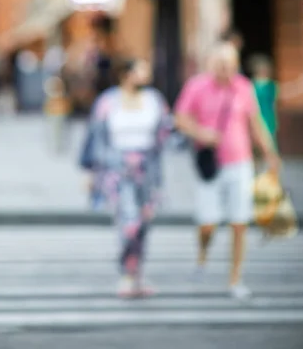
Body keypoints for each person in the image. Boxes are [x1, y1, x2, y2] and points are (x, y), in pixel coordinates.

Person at [174, 43, 280, 300]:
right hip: (210, 166)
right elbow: (180, 118)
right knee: (207, 224)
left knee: (239, 223)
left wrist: (271, 154)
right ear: (211, 65)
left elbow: (255, 123)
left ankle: (235, 278)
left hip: (240, 162)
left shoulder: (243, 87)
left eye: (231, 65)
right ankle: (202, 255)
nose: (226, 70)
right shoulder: (197, 86)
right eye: (221, 65)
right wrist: (202, 133)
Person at [80, 59, 171, 298]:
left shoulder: (154, 100)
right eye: (141, 70)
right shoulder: (108, 102)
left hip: (148, 171)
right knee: (129, 222)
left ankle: (137, 274)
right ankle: (126, 274)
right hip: (117, 171)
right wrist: (90, 172)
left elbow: (166, 133)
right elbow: (94, 137)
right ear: (126, 75)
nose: (146, 75)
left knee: (144, 223)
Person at [250, 55, 279, 154]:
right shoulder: (251, 84)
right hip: (257, 114)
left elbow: (273, 103)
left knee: (270, 141)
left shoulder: (271, 85)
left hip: (268, 115)